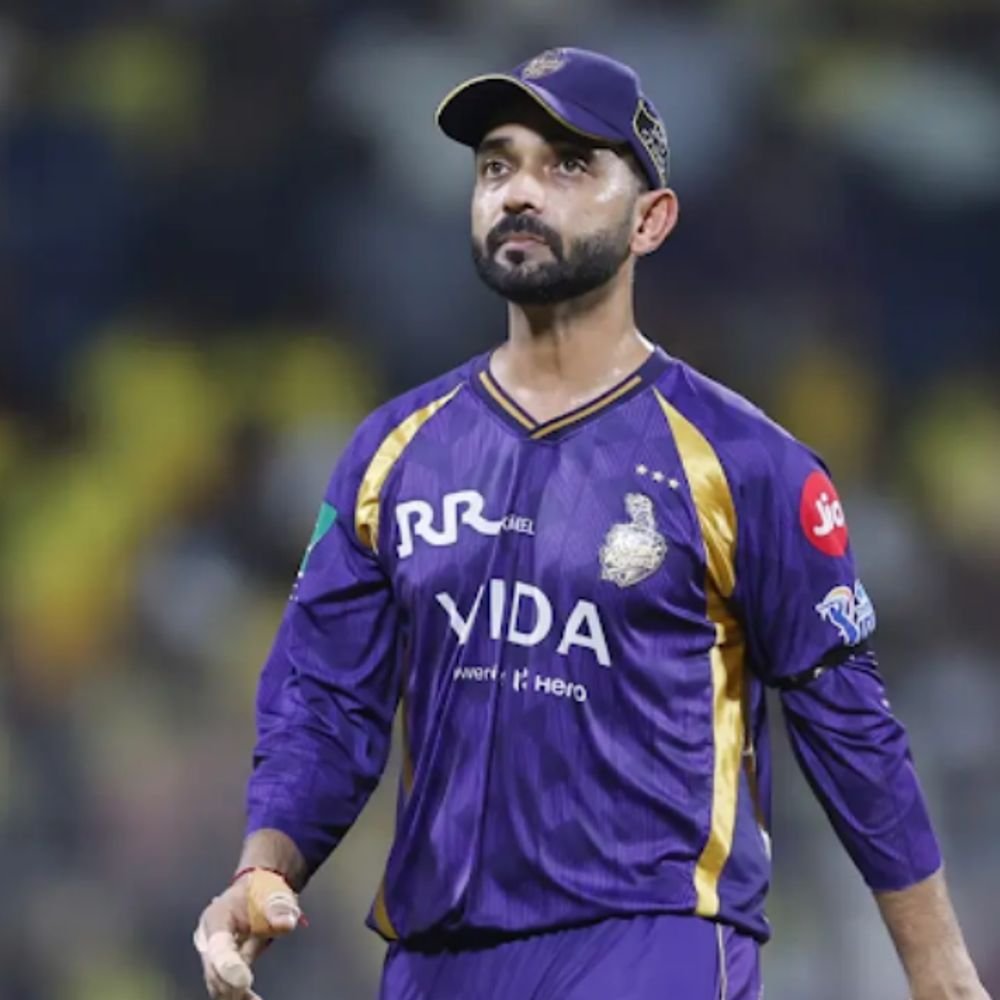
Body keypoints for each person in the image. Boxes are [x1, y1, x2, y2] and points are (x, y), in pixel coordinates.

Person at [194, 47, 988, 1000]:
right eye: (497, 164)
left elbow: (850, 727)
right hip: (435, 957)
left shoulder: (748, 466)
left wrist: (939, 970)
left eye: (568, 164)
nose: (521, 190)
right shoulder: (391, 454)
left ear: (651, 219)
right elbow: (326, 697)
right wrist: (264, 866)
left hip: (652, 946)